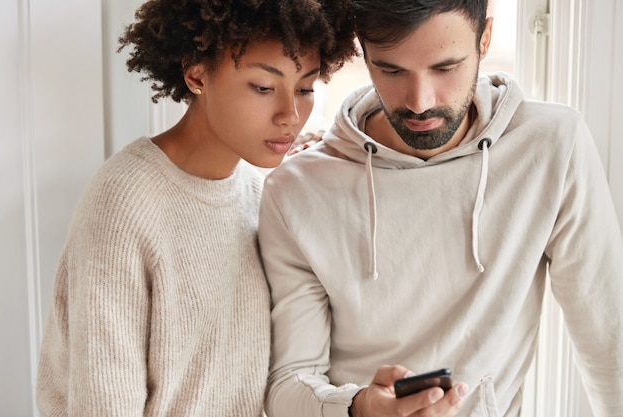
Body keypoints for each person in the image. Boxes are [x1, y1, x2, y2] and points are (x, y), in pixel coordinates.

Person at [258, 0, 623, 416]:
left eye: (445, 68)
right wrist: (359, 408)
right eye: (392, 70)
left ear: (484, 39)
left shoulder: (552, 146)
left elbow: (609, 345)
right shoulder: (296, 189)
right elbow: (288, 386)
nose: (419, 102)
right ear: (363, 48)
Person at [35, 0, 357, 416]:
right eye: (263, 87)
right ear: (196, 73)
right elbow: (104, 403)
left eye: (305, 89)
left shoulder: (259, 194)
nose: (289, 114)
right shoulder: (123, 202)